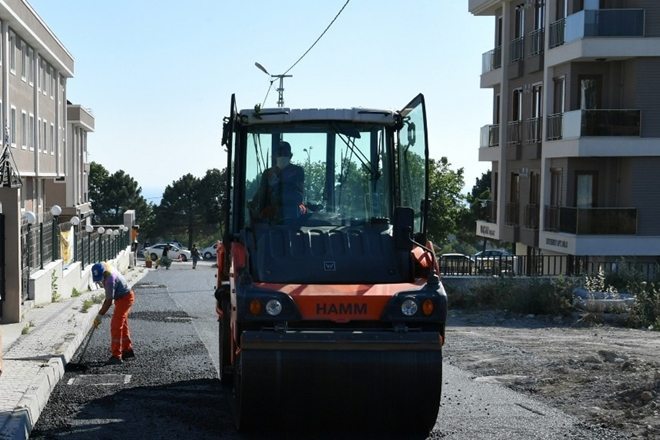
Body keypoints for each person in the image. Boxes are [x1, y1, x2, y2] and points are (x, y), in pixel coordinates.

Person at [250, 141, 305, 223]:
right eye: (279, 154)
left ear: (290, 156)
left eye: (285, 154)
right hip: (271, 222)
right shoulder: (267, 173)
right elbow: (261, 197)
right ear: (274, 156)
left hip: (293, 220)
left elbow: (300, 195)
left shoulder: (297, 171)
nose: (282, 156)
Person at [92, 262, 135, 365]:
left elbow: (108, 301)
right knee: (122, 324)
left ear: (104, 274)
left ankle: (116, 356)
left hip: (125, 298)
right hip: (124, 297)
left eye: (100, 279)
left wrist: (99, 315)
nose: (100, 282)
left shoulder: (109, 280)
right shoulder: (105, 267)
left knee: (116, 326)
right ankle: (127, 350)